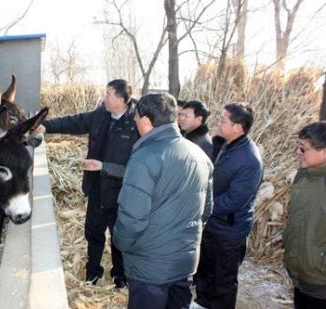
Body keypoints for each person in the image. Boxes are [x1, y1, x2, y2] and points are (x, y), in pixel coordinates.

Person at [113, 92, 213, 308]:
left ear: (146, 120)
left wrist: (120, 243)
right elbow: (206, 210)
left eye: (136, 118)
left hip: (150, 267)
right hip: (185, 263)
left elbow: (132, 219)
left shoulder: (145, 158)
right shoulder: (200, 155)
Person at [36, 79, 139, 288]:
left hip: (121, 193)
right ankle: (93, 271)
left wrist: (104, 166)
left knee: (119, 237)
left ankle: (120, 275)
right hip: (97, 188)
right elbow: (75, 122)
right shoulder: (101, 115)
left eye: (108, 94)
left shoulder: (136, 124)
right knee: (93, 233)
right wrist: (46, 126)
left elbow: (136, 169)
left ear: (121, 99)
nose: (104, 98)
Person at [193, 103, 263, 309]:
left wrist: (202, 205)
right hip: (213, 224)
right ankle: (202, 303)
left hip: (229, 231)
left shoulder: (250, 159)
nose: (218, 123)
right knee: (206, 271)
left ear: (238, 127)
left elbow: (234, 200)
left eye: (223, 120)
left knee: (223, 281)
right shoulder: (223, 144)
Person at [283, 122, 326, 309]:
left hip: (321, 283)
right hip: (301, 276)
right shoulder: (303, 175)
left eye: (303, 148)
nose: (297, 152)